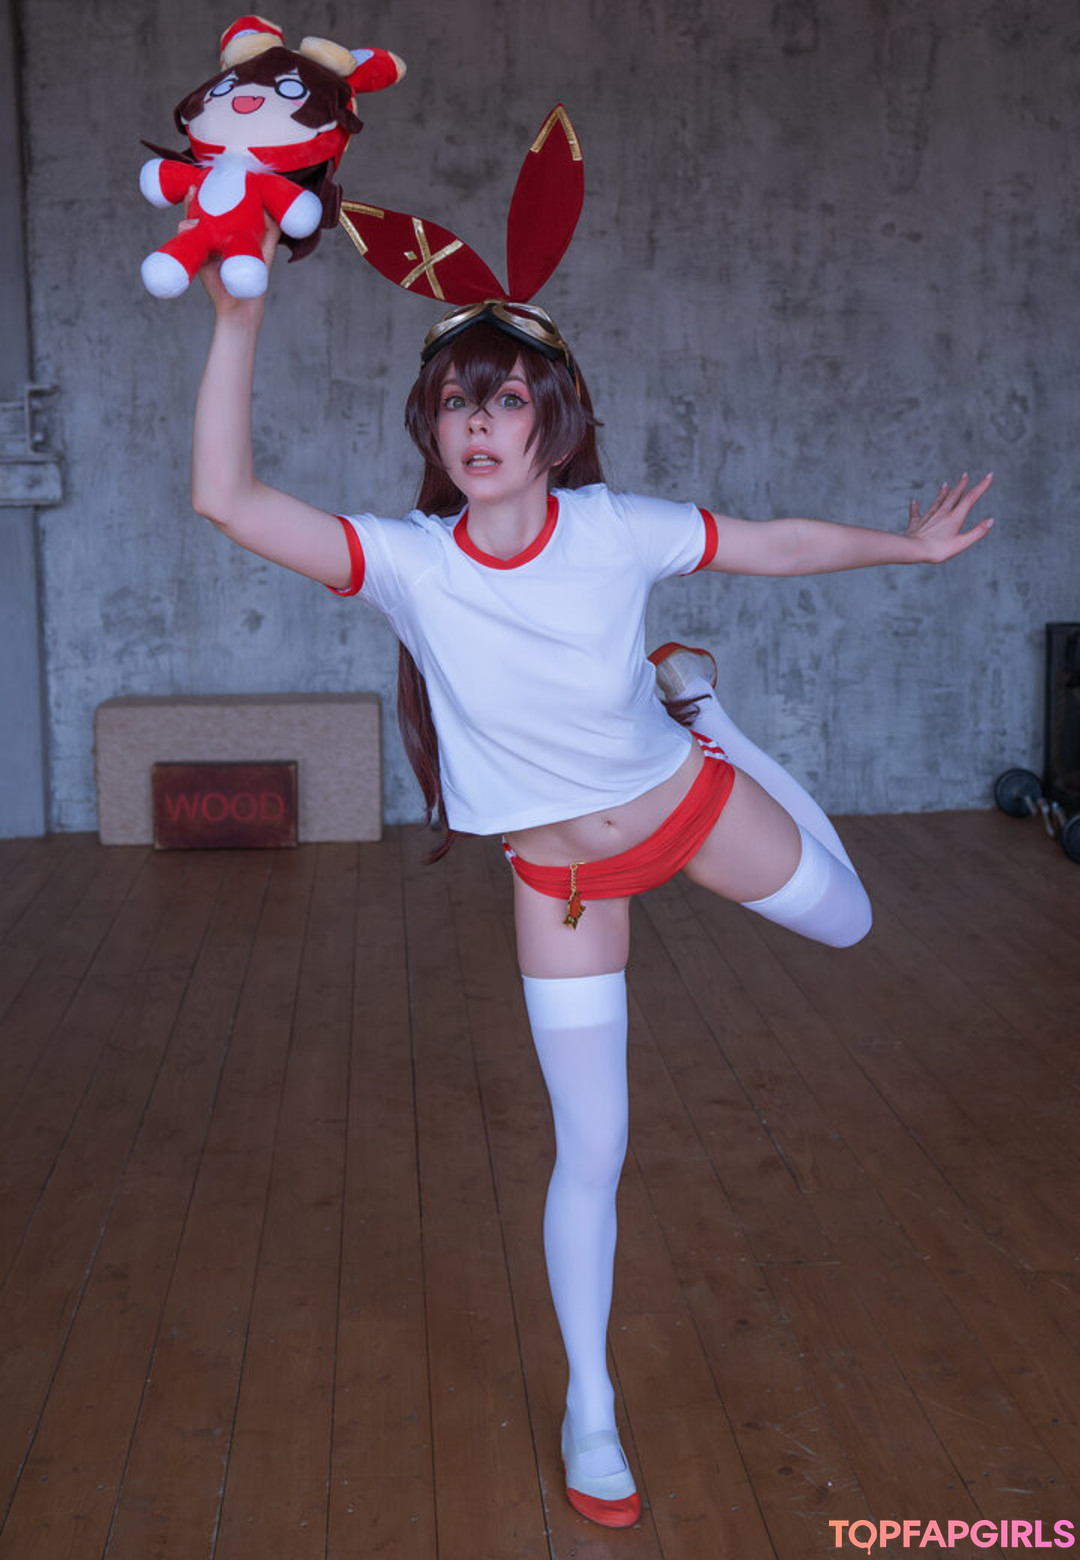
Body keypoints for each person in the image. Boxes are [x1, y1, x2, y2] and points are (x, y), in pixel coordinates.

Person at [190, 216, 993, 1528]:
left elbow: (779, 543)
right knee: (593, 1147)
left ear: (554, 425)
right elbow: (226, 499)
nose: (480, 423)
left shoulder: (614, 529)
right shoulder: (405, 564)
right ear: (431, 427)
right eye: (458, 402)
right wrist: (239, 320)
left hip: (690, 808)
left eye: (508, 399)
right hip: (558, 882)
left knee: (850, 924)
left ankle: (706, 713)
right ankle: (593, 1407)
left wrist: (909, 549)